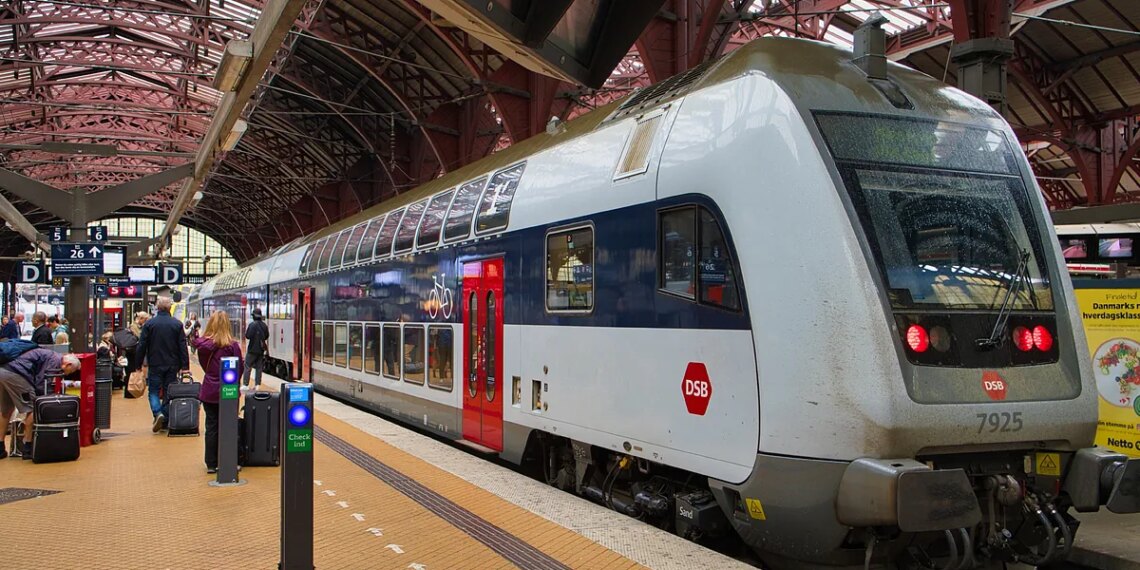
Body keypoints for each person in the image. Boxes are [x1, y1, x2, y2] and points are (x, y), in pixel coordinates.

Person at [0, 350, 80, 458]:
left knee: (6, 410)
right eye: (71, 371)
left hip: (4, 370)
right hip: (17, 374)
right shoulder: (55, 362)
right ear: (68, 364)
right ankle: (27, 447)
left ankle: (0, 448)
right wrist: (47, 399)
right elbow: (41, 383)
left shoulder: (52, 355)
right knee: (34, 408)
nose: (68, 373)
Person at [192, 311, 243, 474]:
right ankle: (228, 460)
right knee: (229, 425)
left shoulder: (203, 346)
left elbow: (204, 366)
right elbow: (239, 369)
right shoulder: (233, 346)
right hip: (229, 391)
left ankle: (211, 463)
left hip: (209, 391)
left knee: (211, 426)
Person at [136, 297, 190, 432]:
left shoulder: (150, 324)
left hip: (155, 363)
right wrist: (185, 367)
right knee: (168, 391)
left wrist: (138, 364)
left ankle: (157, 412)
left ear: (157, 308)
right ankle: (164, 419)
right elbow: (182, 346)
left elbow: (142, 345)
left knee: (153, 391)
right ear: (169, 308)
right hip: (173, 365)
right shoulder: (177, 324)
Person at [242, 308, 269, 390]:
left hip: (252, 350)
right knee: (259, 368)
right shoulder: (264, 325)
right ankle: (257, 385)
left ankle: (246, 384)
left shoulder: (252, 325)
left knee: (247, 366)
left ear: (253, 316)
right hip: (261, 350)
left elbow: (247, 336)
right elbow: (267, 336)